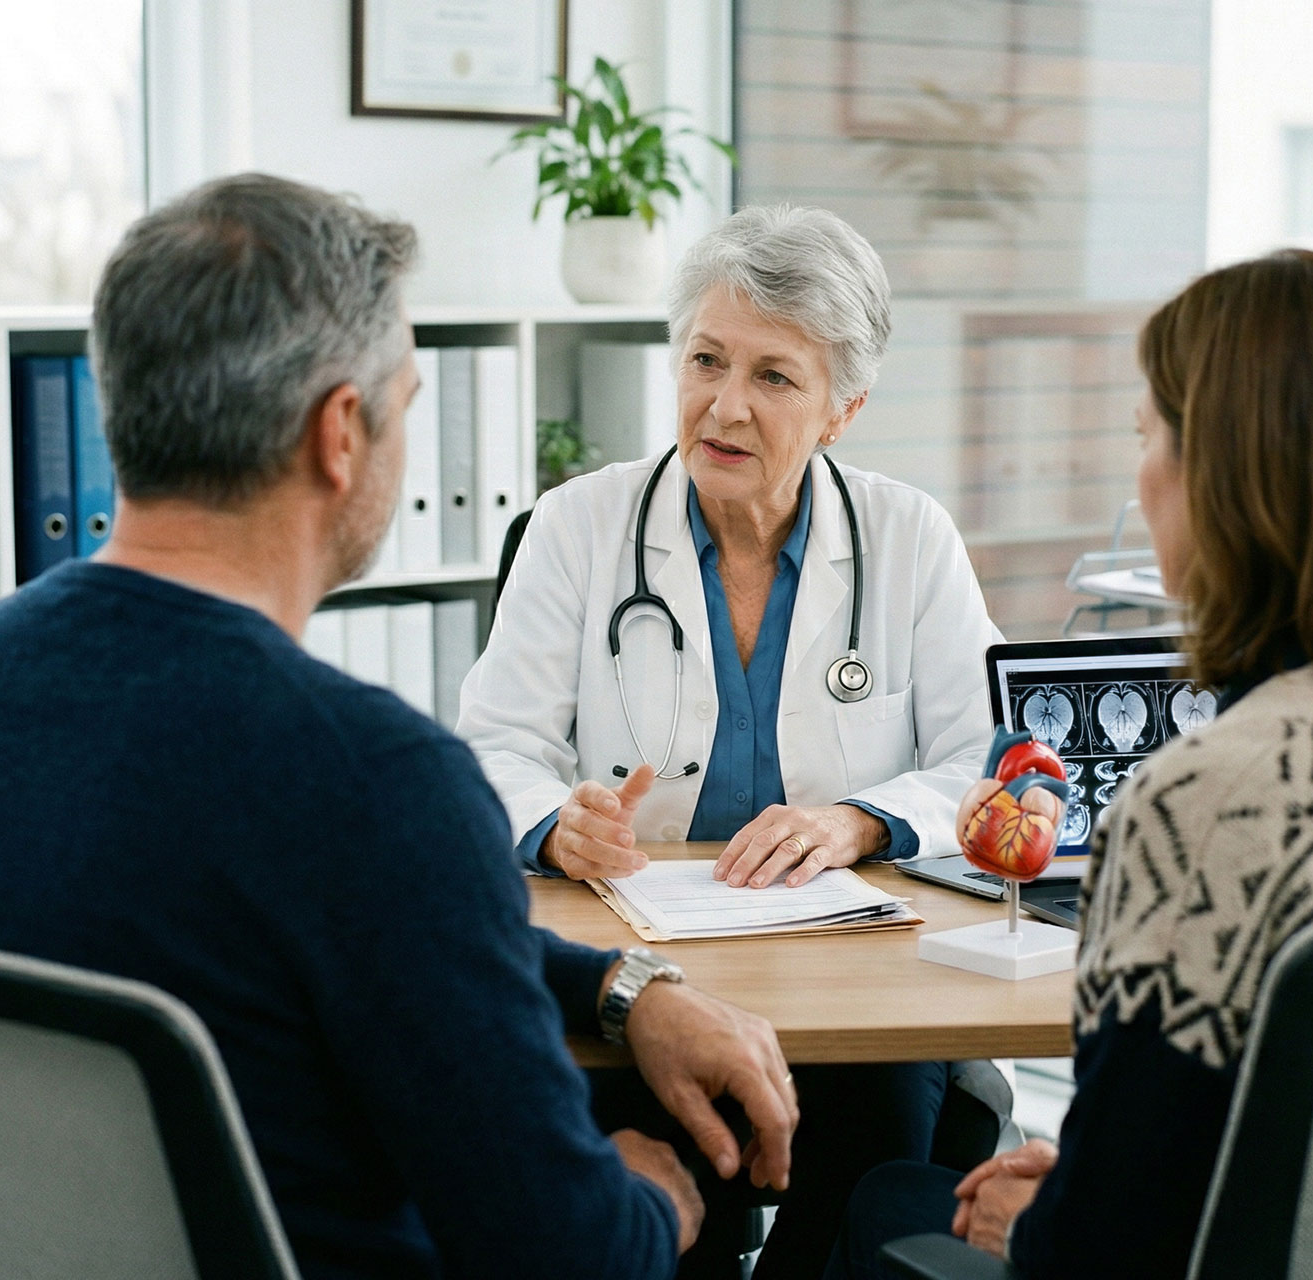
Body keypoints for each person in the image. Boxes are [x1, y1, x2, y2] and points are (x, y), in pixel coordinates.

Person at [0, 173, 803, 1280]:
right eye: (406, 402)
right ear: (340, 435)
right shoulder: (374, 779)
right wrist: (654, 1190)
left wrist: (622, 985)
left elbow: (374, 929)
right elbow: (570, 1253)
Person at [825, 249, 1313, 1280]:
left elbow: (1102, 1249)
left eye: (1148, 438)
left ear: (1225, 482)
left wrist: (1041, 1216)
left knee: (890, 1205)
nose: (1139, 475)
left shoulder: (1208, 801)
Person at [457, 204, 1003, 1278]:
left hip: (861, 987)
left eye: (774, 376)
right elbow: (490, 746)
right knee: (656, 1202)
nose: (725, 404)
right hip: (643, 978)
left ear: (843, 406)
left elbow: (994, 762)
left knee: (862, 1184)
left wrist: (859, 819)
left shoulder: (909, 539)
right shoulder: (580, 527)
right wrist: (552, 822)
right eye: (706, 359)